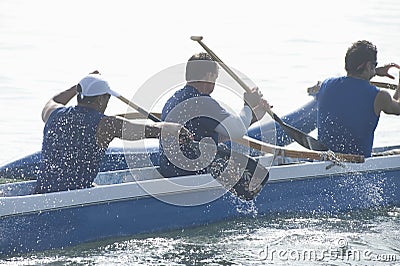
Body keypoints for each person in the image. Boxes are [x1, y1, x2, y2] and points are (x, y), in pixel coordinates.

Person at [34, 72, 188, 194]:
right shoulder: (106, 124)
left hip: (42, 192)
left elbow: (52, 100)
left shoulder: (53, 114)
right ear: (101, 99)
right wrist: (177, 130)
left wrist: (80, 85)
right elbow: (151, 130)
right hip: (75, 196)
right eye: (107, 98)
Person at [159, 52, 271, 178]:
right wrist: (248, 105)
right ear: (209, 75)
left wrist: (252, 116)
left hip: (170, 172)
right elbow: (237, 131)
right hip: (190, 175)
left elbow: (219, 135)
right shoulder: (202, 102)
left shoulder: (172, 100)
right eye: (215, 78)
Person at [317, 40, 400, 157]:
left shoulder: (326, 85)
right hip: (358, 164)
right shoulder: (380, 96)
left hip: (325, 160)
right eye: (374, 65)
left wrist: (373, 70)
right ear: (368, 65)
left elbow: (354, 86)